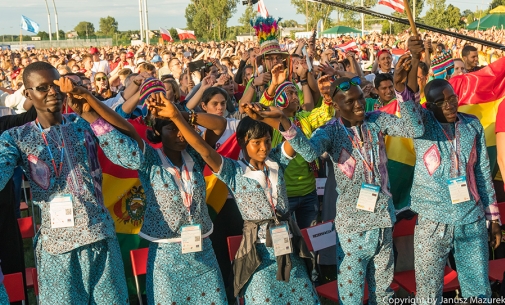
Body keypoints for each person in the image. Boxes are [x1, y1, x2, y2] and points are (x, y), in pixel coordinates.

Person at [146, 95, 319, 305]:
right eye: (256, 142)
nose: (263, 147)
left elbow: (302, 148)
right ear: (241, 143)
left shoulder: (277, 162)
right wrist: (177, 116)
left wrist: (282, 119)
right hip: (258, 256)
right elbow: (203, 148)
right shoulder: (232, 170)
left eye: (266, 141)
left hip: (288, 247)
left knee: (305, 298)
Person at [270, 76, 424, 304]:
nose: (359, 104)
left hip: (383, 222)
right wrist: (284, 122)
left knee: (383, 295)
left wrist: (401, 90)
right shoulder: (329, 132)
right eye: (350, 101)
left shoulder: (377, 119)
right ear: (336, 105)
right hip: (353, 231)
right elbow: (310, 152)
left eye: (361, 98)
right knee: (351, 298)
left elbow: (415, 129)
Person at [0, 61, 144, 304]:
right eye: (42, 88)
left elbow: (131, 158)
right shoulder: (16, 137)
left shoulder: (84, 124)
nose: (52, 92)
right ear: (28, 94)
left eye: (55, 85)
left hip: (100, 239)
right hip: (57, 250)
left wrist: (89, 111)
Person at [395, 52, 501, 304]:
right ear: (430, 108)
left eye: (453, 98)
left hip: (471, 218)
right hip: (433, 222)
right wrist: (404, 81)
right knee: (429, 293)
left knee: (478, 289)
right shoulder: (422, 126)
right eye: (442, 102)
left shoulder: (471, 125)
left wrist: (493, 217)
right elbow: (409, 112)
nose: (451, 105)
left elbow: (483, 172)